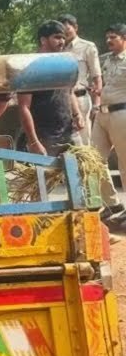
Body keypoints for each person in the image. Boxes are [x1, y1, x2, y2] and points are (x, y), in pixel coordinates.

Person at [17, 21, 83, 157]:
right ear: (43, 40)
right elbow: (24, 107)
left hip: (69, 133)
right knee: (46, 177)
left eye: (64, 38)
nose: (62, 41)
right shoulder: (29, 68)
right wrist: (34, 142)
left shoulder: (64, 63)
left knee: (81, 174)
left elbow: (69, 92)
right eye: (57, 37)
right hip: (44, 137)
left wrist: (77, 115)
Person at [93, 24, 126, 223]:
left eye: (113, 37)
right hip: (102, 113)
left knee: (125, 164)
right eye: (107, 37)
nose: (108, 41)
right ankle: (112, 203)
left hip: (122, 113)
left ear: (124, 38)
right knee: (94, 160)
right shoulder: (106, 60)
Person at [59, 14, 103, 145]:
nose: (65, 33)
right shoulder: (56, 49)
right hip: (61, 100)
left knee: (83, 140)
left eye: (68, 29)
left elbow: (97, 76)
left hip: (80, 98)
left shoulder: (87, 47)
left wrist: (97, 104)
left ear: (75, 28)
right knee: (65, 140)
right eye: (61, 30)